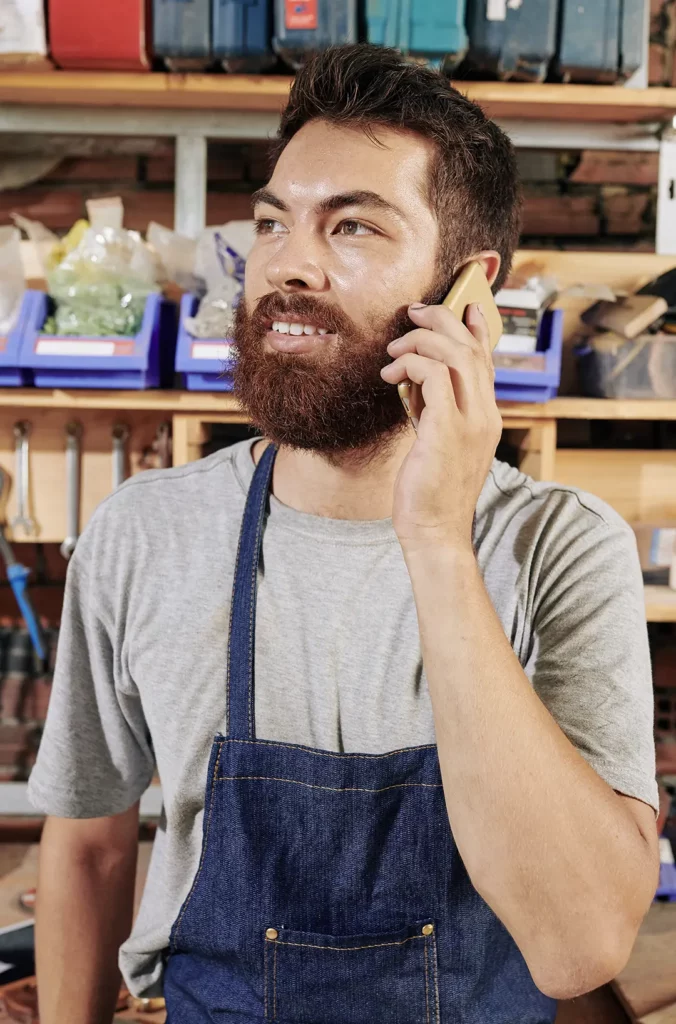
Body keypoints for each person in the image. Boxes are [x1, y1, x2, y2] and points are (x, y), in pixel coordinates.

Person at [30, 44, 658, 1024]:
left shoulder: (559, 545)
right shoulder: (145, 533)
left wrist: (440, 536)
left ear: (467, 291)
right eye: (275, 220)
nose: (288, 261)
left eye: (353, 223)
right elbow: (88, 846)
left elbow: (579, 942)